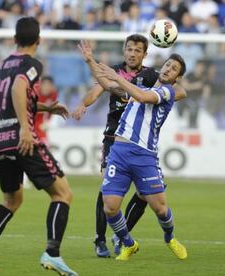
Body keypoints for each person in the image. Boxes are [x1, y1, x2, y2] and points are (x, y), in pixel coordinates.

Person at [0, 17, 78, 276]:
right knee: (63, 193)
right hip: (21, 139)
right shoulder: (32, 64)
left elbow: (14, 97)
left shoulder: (4, 65)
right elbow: (19, 89)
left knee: (12, 199)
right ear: (38, 41)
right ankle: (53, 253)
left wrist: (46, 107)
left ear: (14, 39)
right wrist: (26, 130)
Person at [72, 35, 186, 258]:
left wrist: (120, 80)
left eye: (173, 69)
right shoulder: (132, 83)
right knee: (109, 200)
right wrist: (89, 61)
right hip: (116, 144)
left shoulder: (159, 87)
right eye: (167, 65)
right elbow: (106, 85)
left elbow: (147, 95)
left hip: (144, 151)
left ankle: (168, 237)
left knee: (158, 206)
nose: (133, 53)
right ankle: (118, 240)